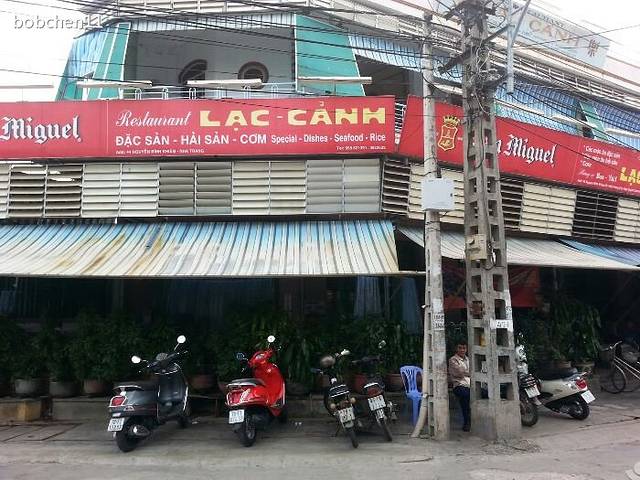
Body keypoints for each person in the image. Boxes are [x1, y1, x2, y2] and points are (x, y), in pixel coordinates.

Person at [449, 343, 471, 432]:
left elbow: (472, 371)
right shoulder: (453, 360)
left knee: (483, 393)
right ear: (456, 349)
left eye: (464, 348)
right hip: (459, 385)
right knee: (465, 396)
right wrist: (469, 373)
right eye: (460, 348)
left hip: (470, 385)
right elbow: (459, 373)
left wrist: (466, 372)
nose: (462, 350)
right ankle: (467, 422)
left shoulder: (469, 359)